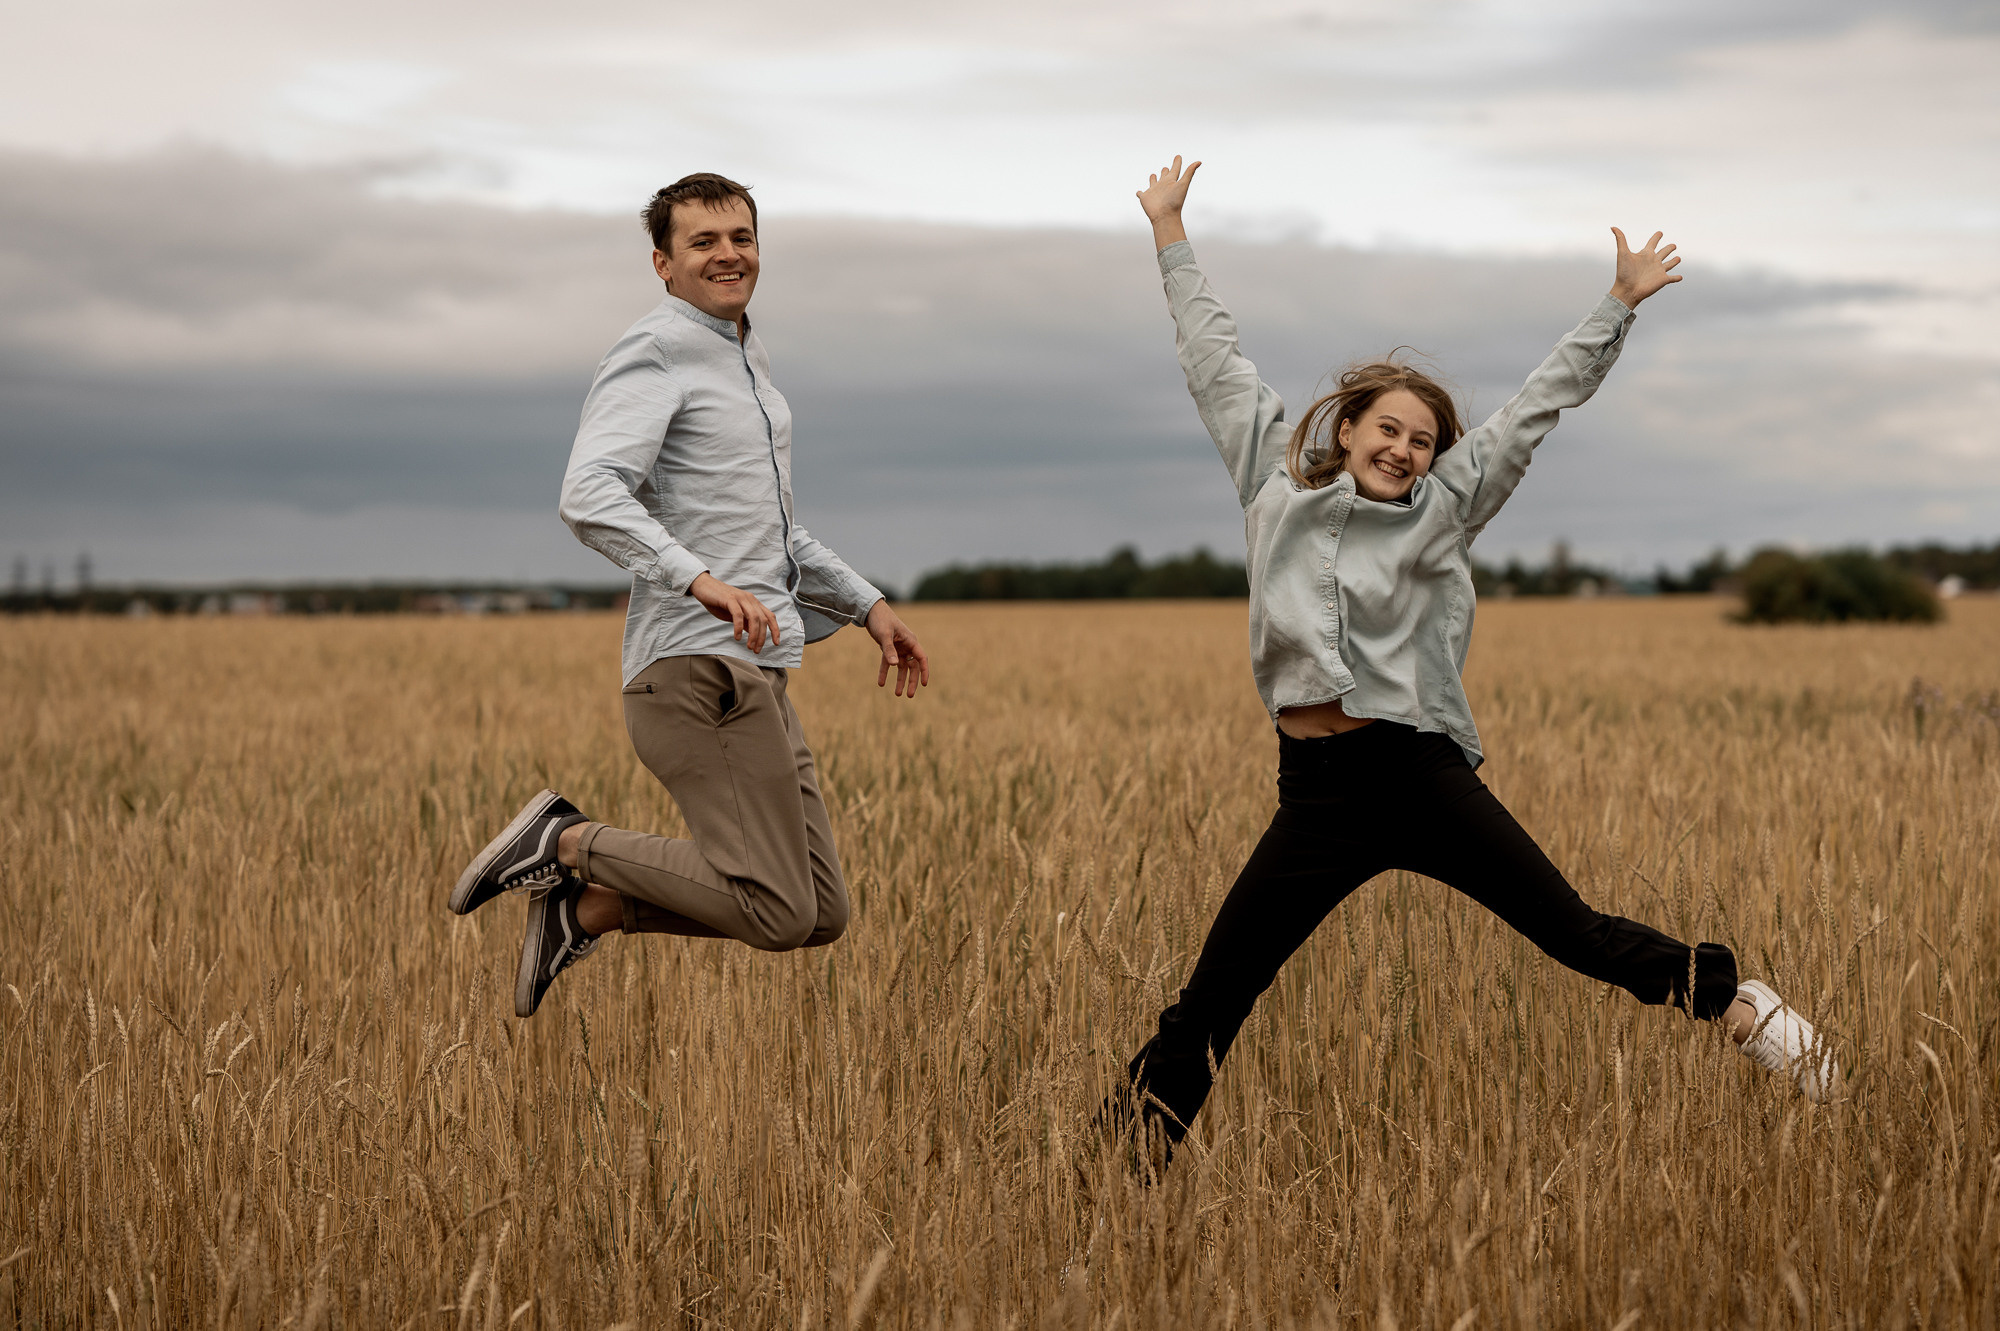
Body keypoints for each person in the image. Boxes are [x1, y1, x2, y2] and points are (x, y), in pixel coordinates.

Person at [1106, 156, 1835, 1169]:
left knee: (1573, 933)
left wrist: (1617, 305)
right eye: (1387, 429)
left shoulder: (1445, 506)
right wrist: (1168, 231)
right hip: (1313, 794)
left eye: (1422, 439)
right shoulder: (1272, 482)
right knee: (1214, 995)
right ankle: (1118, 1173)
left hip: (1414, 774)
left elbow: (1537, 404)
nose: (1403, 449)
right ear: (1346, 427)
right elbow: (1212, 357)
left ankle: (1739, 1004)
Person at [447, 172, 930, 1018]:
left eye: (741, 237)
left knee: (818, 912)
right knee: (776, 908)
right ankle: (564, 839)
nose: (727, 254)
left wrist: (869, 606)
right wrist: (697, 579)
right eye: (702, 241)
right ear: (663, 263)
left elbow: (776, 534)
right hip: (695, 671)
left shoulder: (748, 362)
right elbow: (589, 492)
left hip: (758, 673)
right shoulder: (658, 348)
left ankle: (589, 908)